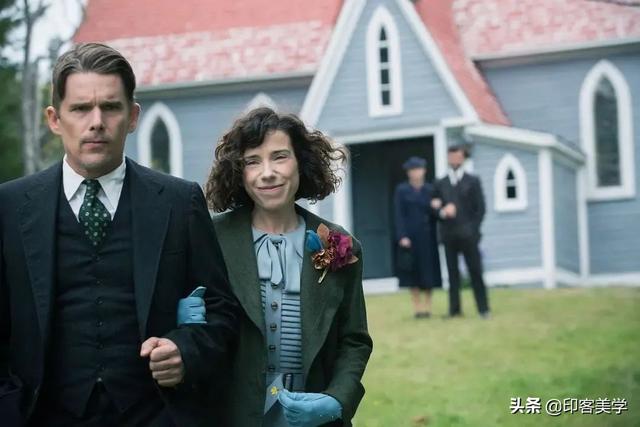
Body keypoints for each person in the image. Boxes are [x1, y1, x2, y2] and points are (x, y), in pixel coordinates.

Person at [0, 43, 239, 427]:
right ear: (54, 119)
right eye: (81, 108)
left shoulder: (179, 203)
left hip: (156, 415)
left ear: (132, 116)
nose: (96, 122)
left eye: (110, 107)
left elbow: (221, 310)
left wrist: (185, 351)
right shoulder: (9, 207)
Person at [200, 107, 373, 426]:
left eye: (279, 157)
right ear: (238, 171)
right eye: (253, 161)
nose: (267, 172)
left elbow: (354, 341)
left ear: (301, 162)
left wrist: (337, 400)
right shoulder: (209, 238)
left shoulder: (340, 244)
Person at [432, 145, 490, 319]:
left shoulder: (473, 181)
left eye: (457, 156)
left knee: (475, 272)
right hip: (449, 235)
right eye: (451, 156)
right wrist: (442, 211)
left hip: (469, 236)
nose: (454, 160)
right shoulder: (440, 183)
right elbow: (433, 208)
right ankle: (454, 310)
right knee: (452, 274)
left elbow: (481, 209)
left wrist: (473, 230)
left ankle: (483, 309)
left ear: (463, 158)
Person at [393, 156, 442, 318]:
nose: (416, 173)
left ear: (424, 171)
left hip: (428, 237)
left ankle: (428, 307)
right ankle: (417, 308)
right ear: (408, 173)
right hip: (410, 237)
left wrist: (436, 207)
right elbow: (398, 214)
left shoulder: (430, 190)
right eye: (412, 170)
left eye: (418, 169)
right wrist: (402, 236)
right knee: (412, 273)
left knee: (429, 271)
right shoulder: (401, 190)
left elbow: (437, 214)